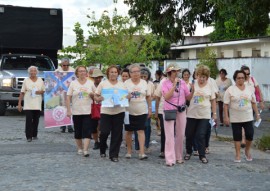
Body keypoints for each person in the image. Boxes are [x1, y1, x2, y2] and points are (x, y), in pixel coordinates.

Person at [223, 70, 261, 162]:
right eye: (238, 78)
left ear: (245, 79)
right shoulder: (230, 89)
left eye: (242, 78)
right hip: (235, 117)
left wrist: (257, 114)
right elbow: (226, 104)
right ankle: (238, 154)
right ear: (235, 79)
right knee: (237, 136)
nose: (240, 79)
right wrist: (226, 117)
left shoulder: (249, 89)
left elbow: (253, 103)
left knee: (250, 135)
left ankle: (247, 150)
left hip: (248, 116)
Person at [184, 65, 216, 164]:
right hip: (192, 113)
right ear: (196, 75)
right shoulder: (191, 85)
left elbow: (213, 100)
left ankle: (202, 155)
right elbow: (187, 98)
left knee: (201, 135)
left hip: (204, 114)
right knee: (189, 134)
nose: (201, 79)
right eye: (200, 76)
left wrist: (214, 113)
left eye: (204, 77)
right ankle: (188, 151)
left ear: (207, 77)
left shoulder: (210, 86)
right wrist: (192, 90)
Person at [161, 64, 192, 166]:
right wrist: (174, 85)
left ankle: (179, 156)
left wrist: (193, 91)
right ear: (170, 73)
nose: (176, 73)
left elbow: (188, 97)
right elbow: (166, 96)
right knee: (169, 135)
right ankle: (170, 159)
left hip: (181, 109)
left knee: (181, 134)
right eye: (174, 71)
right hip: (170, 109)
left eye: (177, 71)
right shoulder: (165, 83)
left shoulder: (182, 82)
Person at [94, 65, 126, 162]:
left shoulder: (122, 84)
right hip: (106, 111)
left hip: (119, 111)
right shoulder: (103, 84)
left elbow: (125, 95)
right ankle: (102, 148)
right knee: (104, 132)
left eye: (115, 72)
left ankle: (114, 155)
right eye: (111, 72)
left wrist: (126, 97)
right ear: (108, 73)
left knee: (117, 134)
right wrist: (98, 98)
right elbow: (96, 95)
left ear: (118, 73)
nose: (113, 74)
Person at [66, 66, 96, 157]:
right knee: (78, 131)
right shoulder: (73, 84)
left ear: (86, 73)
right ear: (77, 73)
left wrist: (92, 95)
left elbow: (96, 96)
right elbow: (68, 97)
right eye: (80, 71)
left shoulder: (91, 83)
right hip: (76, 111)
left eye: (84, 71)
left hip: (88, 110)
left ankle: (86, 150)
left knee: (87, 130)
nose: (82, 73)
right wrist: (68, 110)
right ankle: (80, 148)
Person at [124, 64, 152, 160]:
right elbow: (122, 98)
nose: (136, 74)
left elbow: (148, 96)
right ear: (130, 73)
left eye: (137, 71)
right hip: (128, 111)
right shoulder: (126, 83)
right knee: (128, 131)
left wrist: (149, 109)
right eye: (133, 72)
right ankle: (129, 151)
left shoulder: (144, 83)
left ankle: (142, 152)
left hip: (142, 110)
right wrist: (126, 98)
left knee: (141, 130)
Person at [18, 66, 45, 142]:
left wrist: (39, 92)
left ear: (37, 72)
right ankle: (28, 136)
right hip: (28, 103)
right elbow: (22, 92)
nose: (33, 72)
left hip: (37, 103)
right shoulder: (26, 80)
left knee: (36, 120)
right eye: (31, 71)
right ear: (29, 72)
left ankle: (34, 134)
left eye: (34, 71)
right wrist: (19, 103)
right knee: (29, 120)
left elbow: (43, 90)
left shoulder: (40, 80)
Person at [240, 65, 265, 148]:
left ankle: (247, 137)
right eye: (245, 73)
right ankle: (243, 139)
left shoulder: (252, 80)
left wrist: (261, 101)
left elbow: (258, 90)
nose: (247, 75)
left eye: (248, 73)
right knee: (242, 121)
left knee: (249, 121)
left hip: (252, 104)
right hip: (242, 104)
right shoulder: (240, 81)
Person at [134, 67, 155, 151]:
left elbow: (153, 95)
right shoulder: (136, 83)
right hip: (137, 107)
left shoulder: (151, 84)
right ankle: (137, 145)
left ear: (148, 77)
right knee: (137, 127)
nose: (143, 78)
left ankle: (146, 144)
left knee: (147, 126)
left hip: (147, 107)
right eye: (141, 76)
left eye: (144, 76)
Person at [55, 58, 75, 133]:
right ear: (61, 65)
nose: (66, 67)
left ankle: (70, 125)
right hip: (61, 92)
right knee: (62, 108)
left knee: (70, 108)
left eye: (67, 65)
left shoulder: (73, 71)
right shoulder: (57, 71)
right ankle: (63, 125)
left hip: (70, 92)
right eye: (64, 65)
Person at [89, 68, 104, 150]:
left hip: (103, 107)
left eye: (99, 77)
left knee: (102, 126)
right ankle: (96, 141)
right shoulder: (90, 86)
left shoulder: (104, 85)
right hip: (93, 107)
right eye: (96, 77)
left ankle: (102, 141)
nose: (98, 79)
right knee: (94, 126)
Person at [154, 73, 167, 158]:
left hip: (174, 110)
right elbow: (157, 97)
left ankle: (171, 149)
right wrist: (156, 111)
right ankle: (163, 150)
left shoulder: (178, 81)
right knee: (164, 131)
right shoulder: (163, 82)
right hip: (163, 110)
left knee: (173, 131)